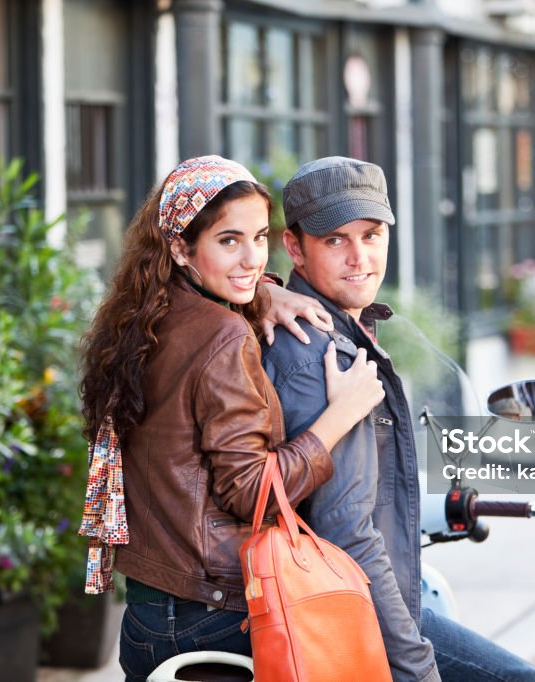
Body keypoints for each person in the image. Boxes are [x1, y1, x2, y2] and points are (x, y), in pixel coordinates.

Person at [77, 155, 385, 682]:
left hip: (148, 618)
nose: (250, 259)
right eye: (228, 241)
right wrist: (341, 415)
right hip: (216, 615)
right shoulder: (223, 336)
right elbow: (252, 492)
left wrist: (265, 292)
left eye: (260, 238)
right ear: (179, 246)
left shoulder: (142, 318)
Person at [261, 156, 535, 682]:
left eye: (372, 235)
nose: (360, 258)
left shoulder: (341, 330)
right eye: (335, 240)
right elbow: (347, 533)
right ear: (295, 248)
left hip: (363, 600)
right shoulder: (321, 355)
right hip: (353, 610)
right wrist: (416, 666)